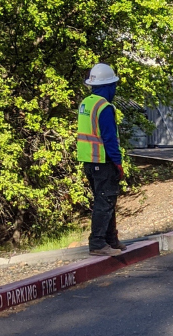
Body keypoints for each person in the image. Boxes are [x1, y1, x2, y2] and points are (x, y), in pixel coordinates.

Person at [77, 63, 127, 256]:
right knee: (104, 202)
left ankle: (111, 239)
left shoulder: (86, 103)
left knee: (106, 200)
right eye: (113, 85)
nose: (114, 89)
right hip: (103, 160)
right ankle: (98, 243)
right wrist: (118, 163)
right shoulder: (104, 107)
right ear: (107, 86)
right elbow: (109, 138)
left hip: (89, 161)